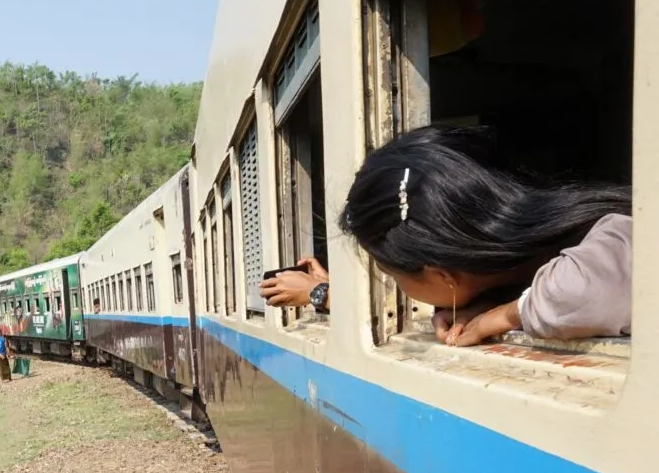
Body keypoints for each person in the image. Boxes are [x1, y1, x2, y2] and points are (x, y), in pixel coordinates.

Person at [261, 124, 631, 346]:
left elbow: (586, 290)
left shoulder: (618, 234)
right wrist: (489, 303)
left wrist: (503, 316)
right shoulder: (556, 245)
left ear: (442, 275)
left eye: (394, 276)